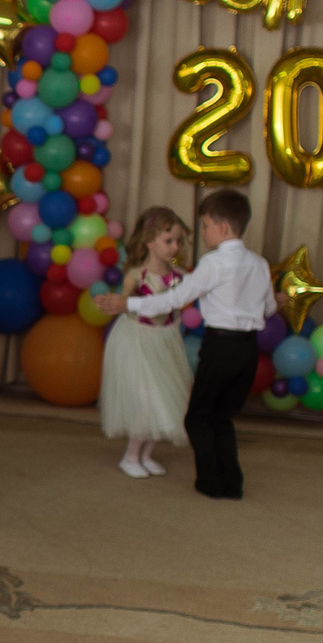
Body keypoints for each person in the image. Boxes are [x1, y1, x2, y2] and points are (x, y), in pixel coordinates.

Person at [94, 188, 274, 501]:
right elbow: (268, 307)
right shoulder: (259, 263)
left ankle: (210, 482)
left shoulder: (214, 263)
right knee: (222, 417)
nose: (202, 232)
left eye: (205, 226)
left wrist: (128, 304)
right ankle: (232, 483)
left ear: (222, 228)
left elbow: (174, 299)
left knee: (198, 417)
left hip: (220, 347)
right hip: (247, 350)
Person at [99, 207, 194, 482]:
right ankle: (130, 457)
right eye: (168, 240)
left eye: (178, 241)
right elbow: (124, 304)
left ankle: (146, 454)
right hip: (138, 341)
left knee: (168, 400)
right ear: (149, 241)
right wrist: (114, 303)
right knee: (148, 401)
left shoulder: (178, 275)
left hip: (165, 341)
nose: (174, 247)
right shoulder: (137, 275)